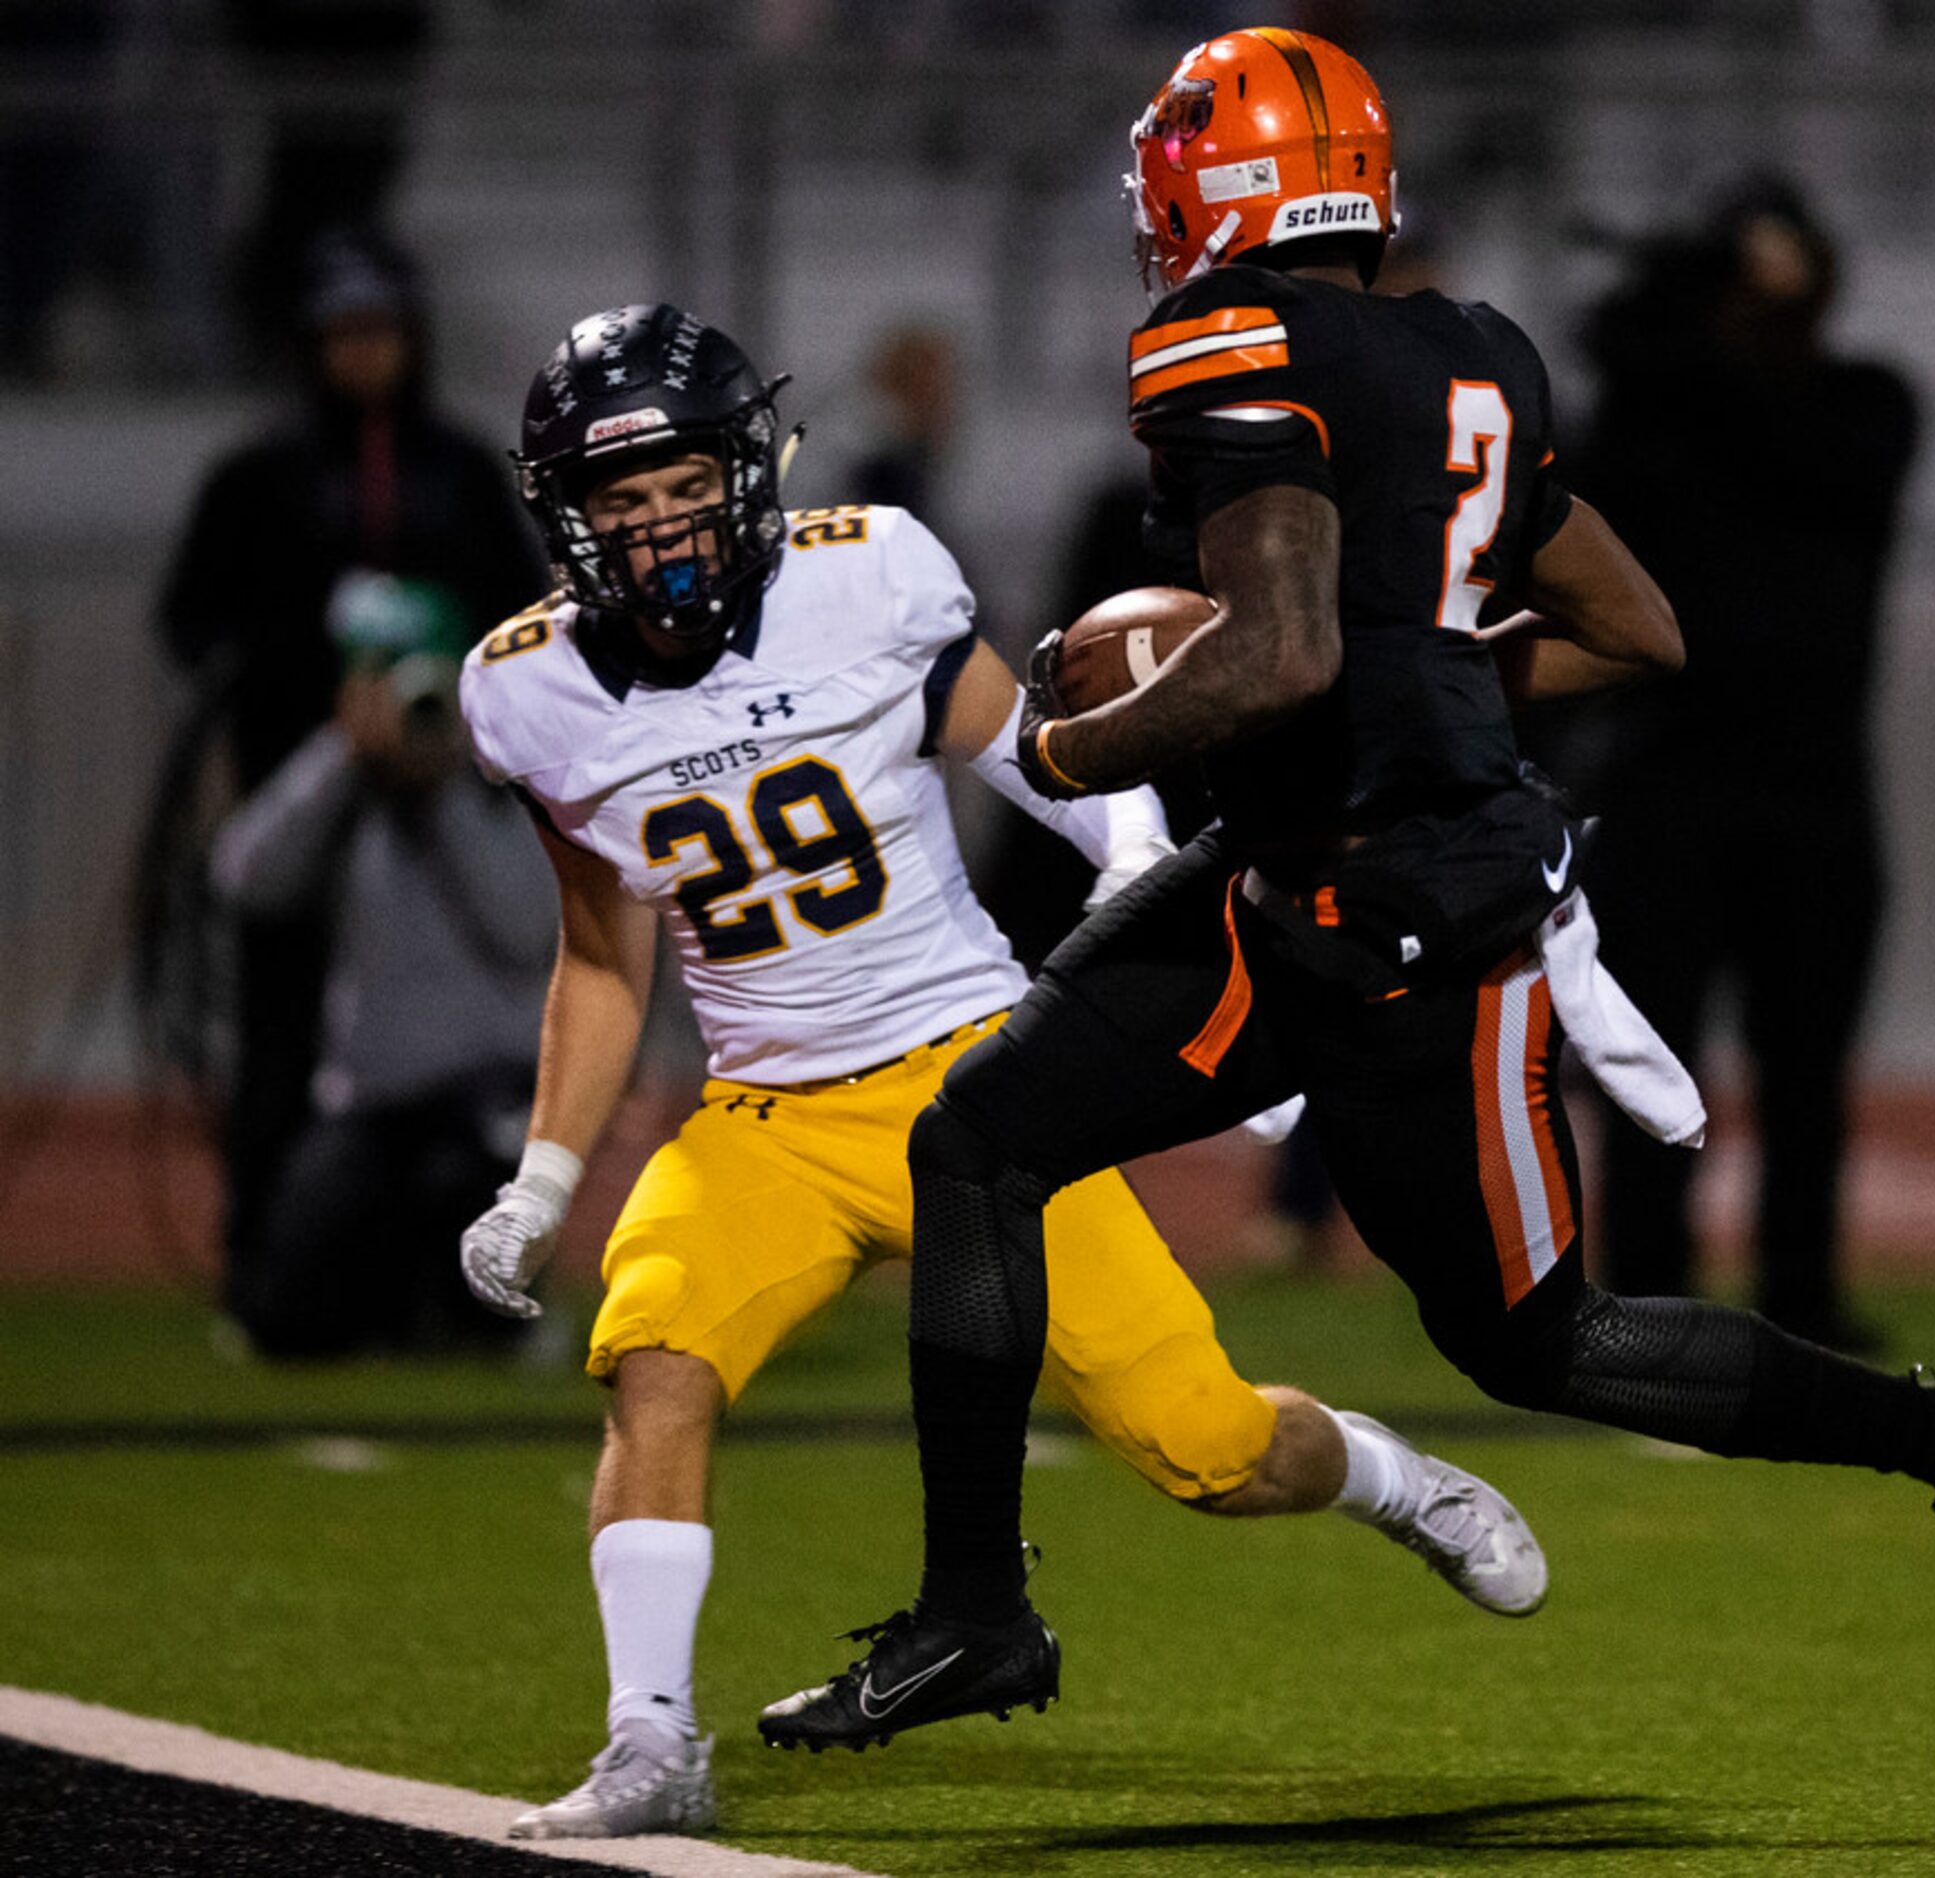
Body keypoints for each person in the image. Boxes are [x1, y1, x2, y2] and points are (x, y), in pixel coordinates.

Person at [759, 27, 1935, 1753]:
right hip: (1304, 876)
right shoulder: (1473, 352)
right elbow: (1630, 628)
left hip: (1411, 925)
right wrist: (1419, 670)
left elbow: (1285, 653)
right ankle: (971, 1616)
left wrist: (1080, 754)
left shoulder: (1223, 332)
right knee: (982, 1136)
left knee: (1541, 1343)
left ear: (1207, 184)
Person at [455, 303, 1551, 1840]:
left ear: (746, 475)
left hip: (976, 1083)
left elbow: (1029, 745)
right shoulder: (529, 690)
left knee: (1207, 1445)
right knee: (655, 1357)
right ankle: (652, 1745)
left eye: (685, 487)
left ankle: (1385, 1475)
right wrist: (545, 1179)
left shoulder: (865, 580)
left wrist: (1136, 854)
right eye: (621, 503)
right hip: (762, 1114)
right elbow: (597, 951)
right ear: (570, 516)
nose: (659, 530)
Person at [1550, 171, 1922, 1352]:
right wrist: (1686, 293)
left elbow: (1790, 449)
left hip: (1812, 789)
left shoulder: (1864, 403)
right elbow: (1611, 417)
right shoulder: (1659, 411)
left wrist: (1692, 301)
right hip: (1669, 780)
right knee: (1649, 1057)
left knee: (1805, 1070)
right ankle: (1647, 1300)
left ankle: (1799, 1296)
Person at [154, 227, 547, 1333]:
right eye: (344, 332)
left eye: (382, 331)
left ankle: (469, 1275)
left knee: (471, 1028)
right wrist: (295, 694)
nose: (364, 353)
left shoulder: (461, 471)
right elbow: (193, 622)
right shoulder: (256, 475)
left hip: (447, 798)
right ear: (312, 343)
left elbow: (525, 621)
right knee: (279, 1038)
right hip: (305, 787)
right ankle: (263, 1263)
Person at [208, 572, 555, 1357]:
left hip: (488, 1099)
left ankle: (479, 1314)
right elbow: (245, 882)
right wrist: (343, 755)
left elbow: (525, 929)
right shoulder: (348, 798)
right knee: (287, 1314)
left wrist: (445, 794)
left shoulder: (507, 789)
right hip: (370, 1106)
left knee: (471, 1269)